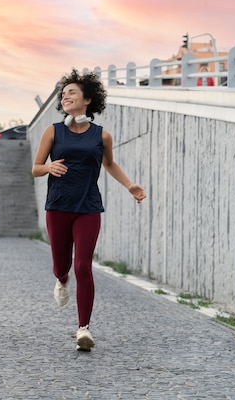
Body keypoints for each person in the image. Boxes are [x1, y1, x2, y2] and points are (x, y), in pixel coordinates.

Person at [32, 69, 146, 351]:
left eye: (71, 92)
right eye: (63, 93)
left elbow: (109, 165)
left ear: (88, 100)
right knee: (62, 266)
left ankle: (83, 328)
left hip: (88, 207)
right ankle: (61, 279)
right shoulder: (53, 131)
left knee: (83, 265)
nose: (65, 96)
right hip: (57, 206)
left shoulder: (102, 135)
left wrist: (130, 185)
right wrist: (48, 167)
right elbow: (35, 168)